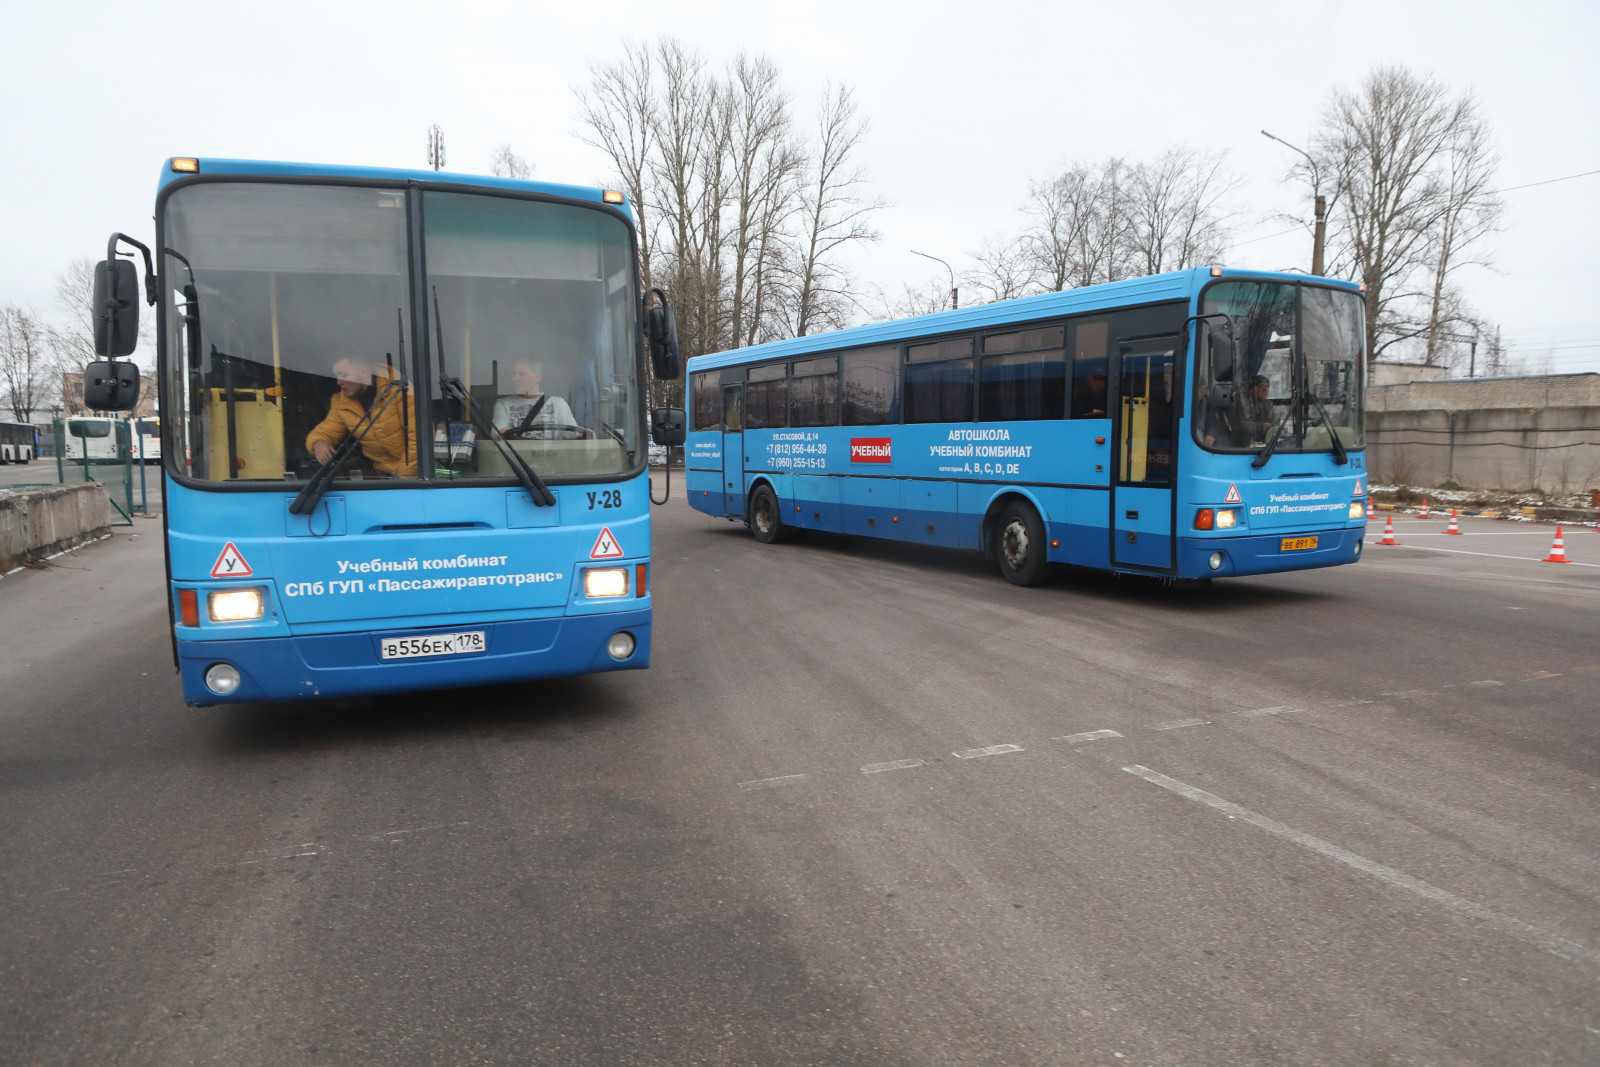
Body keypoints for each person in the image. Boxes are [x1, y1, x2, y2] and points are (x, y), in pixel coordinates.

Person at [305, 356, 416, 477]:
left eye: (344, 375)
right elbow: (326, 431)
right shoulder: (341, 402)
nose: (339, 382)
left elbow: (419, 442)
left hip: (413, 475)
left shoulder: (402, 391)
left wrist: (402, 479)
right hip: (379, 474)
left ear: (364, 372)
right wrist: (318, 443)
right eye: (336, 376)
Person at [492, 358, 588, 439]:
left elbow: (572, 432)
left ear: (537, 377)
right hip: (518, 459)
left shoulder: (557, 403)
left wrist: (585, 434)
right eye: (514, 374)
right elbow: (497, 431)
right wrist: (502, 432)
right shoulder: (503, 404)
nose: (515, 378)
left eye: (521, 374)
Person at [1239, 374, 1275, 445]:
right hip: (1247, 441)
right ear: (1253, 389)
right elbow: (1242, 426)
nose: (1265, 390)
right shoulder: (1244, 403)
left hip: (1266, 442)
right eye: (1261, 386)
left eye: (1267, 387)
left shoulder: (1269, 405)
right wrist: (1263, 426)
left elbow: (1273, 423)